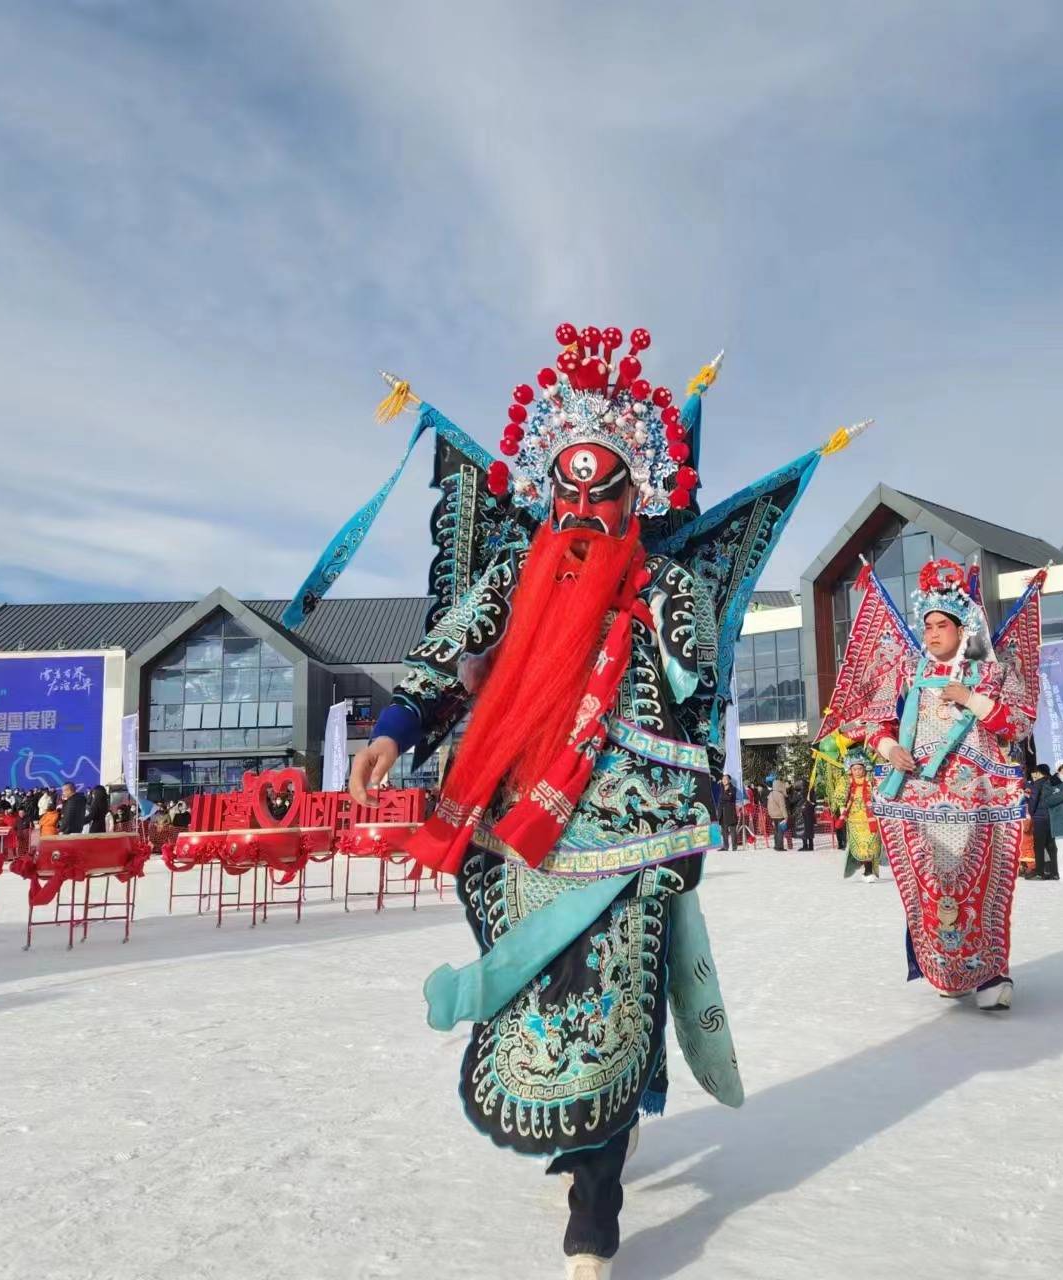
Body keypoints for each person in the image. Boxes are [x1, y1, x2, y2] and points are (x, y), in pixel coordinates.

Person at [329, 323, 851, 1278]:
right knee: (537, 986)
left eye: (601, 486)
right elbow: (446, 657)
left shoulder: (665, 583)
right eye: (567, 488)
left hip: (628, 814)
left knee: (614, 984)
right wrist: (391, 732)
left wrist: (656, 615)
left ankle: (595, 1196)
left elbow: (697, 681)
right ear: (546, 490)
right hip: (513, 809)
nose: (582, 504)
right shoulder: (508, 578)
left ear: (635, 492)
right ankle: (589, 1140)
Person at [825, 557, 1043, 1009]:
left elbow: (1018, 723)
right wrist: (888, 749)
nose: (932, 633)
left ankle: (990, 973)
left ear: (963, 629)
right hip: (918, 797)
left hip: (981, 797)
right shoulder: (906, 672)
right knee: (933, 888)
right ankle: (946, 967)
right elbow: (872, 721)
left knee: (982, 886)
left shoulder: (993, 671)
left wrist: (970, 698)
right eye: (927, 626)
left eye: (942, 624)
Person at [837, 760, 885, 881]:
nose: (858, 771)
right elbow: (840, 797)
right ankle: (867, 871)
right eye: (855, 769)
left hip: (870, 818)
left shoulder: (871, 779)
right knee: (861, 846)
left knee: (871, 845)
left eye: (860, 769)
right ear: (851, 770)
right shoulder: (846, 780)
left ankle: (869, 871)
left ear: (864, 769)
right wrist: (842, 810)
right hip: (854, 819)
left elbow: (881, 792)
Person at [1026, 764, 1058, 880]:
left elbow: (1033, 800)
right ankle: (1055, 871)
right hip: (1053, 816)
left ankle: (1040, 870)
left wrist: (1031, 812)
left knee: (1039, 845)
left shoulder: (1038, 783)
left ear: (1038, 772)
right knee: (1052, 845)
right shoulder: (1054, 782)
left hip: (1040, 817)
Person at [716, 777, 740, 851]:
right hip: (722, 813)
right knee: (724, 831)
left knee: (733, 830)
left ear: (729, 780)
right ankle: (725, 846)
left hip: (730, 813)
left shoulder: (733, 788)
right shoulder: (721, 788)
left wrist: (723, 796)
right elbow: (720, 799)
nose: (724, 780)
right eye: (723, 779)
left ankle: (734, 847)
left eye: (726, 779)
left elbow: (728, 798)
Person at [766, 778, 789, 850]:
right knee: (780, 832)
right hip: (780, 816)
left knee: (776, 831)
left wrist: (770, 814)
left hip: (773, 816)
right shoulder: (780, 795)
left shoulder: (770, 794)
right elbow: (782, 807)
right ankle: (780, 847)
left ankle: (776, 845)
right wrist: (786, 816)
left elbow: (768, 805)